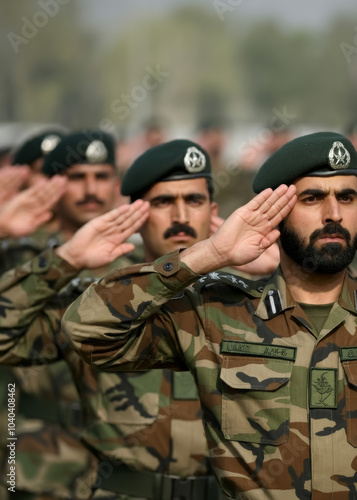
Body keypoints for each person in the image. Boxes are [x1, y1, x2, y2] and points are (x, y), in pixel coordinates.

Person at [63, 131, 357, 499]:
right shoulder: (217, 313)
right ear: (275, 212)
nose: (333, 214)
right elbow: (86, 329)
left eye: (347, 197)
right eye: (312, 198)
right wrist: (209, 255)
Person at [0, 138, 278, 499]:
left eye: (193, 200)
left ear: (212, 210)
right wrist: (64, 259)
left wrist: (277, 275)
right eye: (163, 202)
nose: (180, 217)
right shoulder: (99, 305)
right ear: (136, 212)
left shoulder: (247, 300)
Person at [0, 129, 137, 500]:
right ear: (55, 184)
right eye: (77, 177)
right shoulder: (19, 258)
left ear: (116, 183)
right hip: (35, 453)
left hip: (119, 465)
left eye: (101, 176)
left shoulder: (141, 269)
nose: (90, 189)